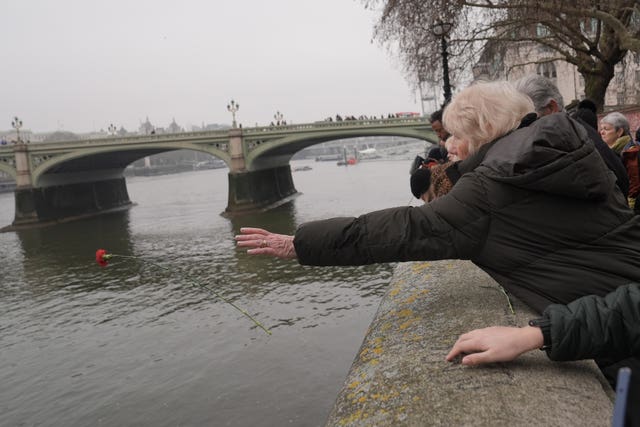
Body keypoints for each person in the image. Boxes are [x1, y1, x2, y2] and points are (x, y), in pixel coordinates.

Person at [237, 80, 640, 421]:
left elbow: (406, 229)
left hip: (618, 342)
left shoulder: (490, 187)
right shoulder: (573, 148)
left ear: (481, 131)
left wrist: (301, 243)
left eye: (455, 135)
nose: (448, 146)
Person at [514, 74, 629, 198]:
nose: (522, 130)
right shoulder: (574, 136)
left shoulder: (584, 142)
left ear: (551, 108)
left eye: (528, 121)